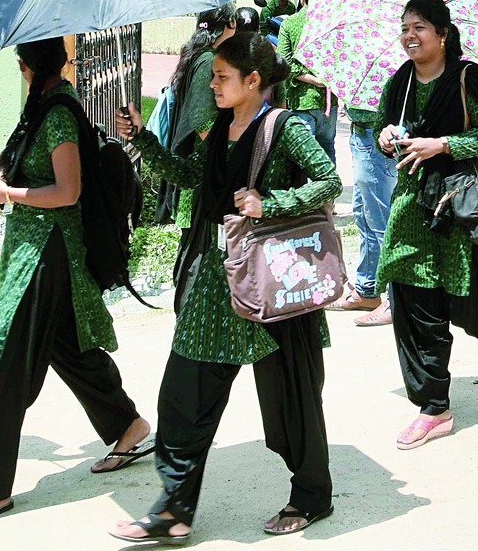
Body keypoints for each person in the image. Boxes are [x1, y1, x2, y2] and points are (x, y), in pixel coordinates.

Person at [113, 33, 340, 541]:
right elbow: (192, 177)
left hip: (271, 279)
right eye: (213, 76)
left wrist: (270, 204)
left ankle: (311, 496)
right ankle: (173, 509)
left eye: (221, 77)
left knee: (292, 395)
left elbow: (328, 182)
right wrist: (142, 140)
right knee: (183, 393)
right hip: (217, 279)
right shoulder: (219, 127)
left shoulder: (285, 127)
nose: (212, 85)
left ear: (253, 80)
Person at [0, 38, 151, 532]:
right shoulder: (49, 103)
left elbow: (67, 190)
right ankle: (127, 425)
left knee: (6, 365)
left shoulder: (56, 112)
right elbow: (31, 159)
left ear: (23, 66)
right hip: (42, 253)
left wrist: (8, 193)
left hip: (45, 255)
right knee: (70, 346)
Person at [374, 0, 478, 450]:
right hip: (411, 209)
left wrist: (441, 144)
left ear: (442, 34)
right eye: (405, 28)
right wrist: (386, 136)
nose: (409, 36)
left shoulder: (468, 77)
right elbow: (385, 131)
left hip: (462, 209)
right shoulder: (399, 82)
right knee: (412, 304)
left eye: (419, 28)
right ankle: (433, 408)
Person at [156, 5, 239, 231]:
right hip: (200, 169)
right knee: (198, 239)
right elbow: (201, 119)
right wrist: (224, 153)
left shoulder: (202, 54)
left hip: (200, 165)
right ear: (229, 24)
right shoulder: (207, 61)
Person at [332, 94, 396, 327]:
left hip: (375, 135)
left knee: (380, 220)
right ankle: (367, 289)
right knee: (363, 215)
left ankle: (395, 298)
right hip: (361, 132)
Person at [275, 0, 337, 163]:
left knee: (305, 156)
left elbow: (283, 62)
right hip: (328, 100)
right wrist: (321, 81)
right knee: (327, 148)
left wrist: (310, 79)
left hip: (301, 99)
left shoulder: (290, 23)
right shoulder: (334, 22)